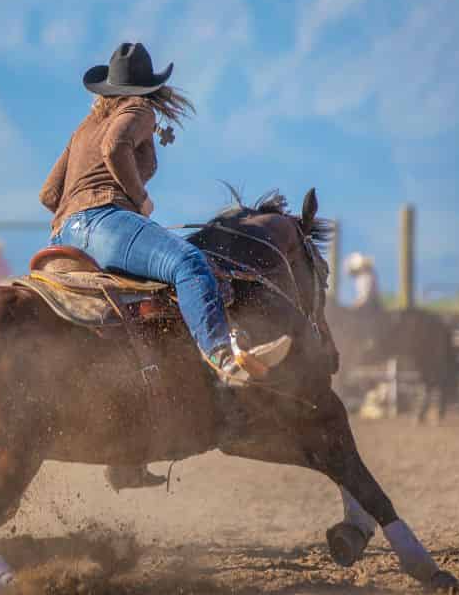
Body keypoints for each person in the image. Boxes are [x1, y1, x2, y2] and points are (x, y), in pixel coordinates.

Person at [40, 42, 290, 488]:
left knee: (135, 308)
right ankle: (221, 358)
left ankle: (128, 454)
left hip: (63, 234)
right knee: (190, 265)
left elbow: (47, 194)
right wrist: (137, 199)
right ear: (149, 86)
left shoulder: (87, 124)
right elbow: (118, 146)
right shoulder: (137, 109)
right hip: (103, 221)